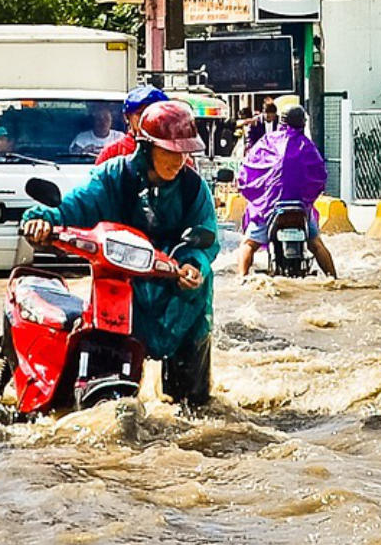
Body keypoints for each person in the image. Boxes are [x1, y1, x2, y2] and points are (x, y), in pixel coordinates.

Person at [22, 99, 218, 409]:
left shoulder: (194, 188)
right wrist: (43, 219)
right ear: (147, 147)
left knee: (193, 406)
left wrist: (195, 265)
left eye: (184, 152)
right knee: (106, 370)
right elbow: (75, 205)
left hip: (179, 290)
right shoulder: (114, 176)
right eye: (169, 151)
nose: (178, 160)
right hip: (124, 283)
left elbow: (206, 236)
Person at [236, 103, 337, 279]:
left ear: (281, 120)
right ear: (302, 123)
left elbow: (248, 170)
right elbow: (320, 176)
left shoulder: (267, 142)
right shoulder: (308, 146)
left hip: (268, 207)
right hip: (301, 208)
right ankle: (333, 278)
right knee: (316, 243)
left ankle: (241, 278)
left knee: (249, 243)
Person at [93, 85, 168, 167]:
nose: (148, 118)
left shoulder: (174, 150)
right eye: (141, 113)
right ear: (127, 117)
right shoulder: (111, 153)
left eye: (154, 113)